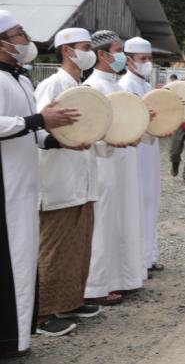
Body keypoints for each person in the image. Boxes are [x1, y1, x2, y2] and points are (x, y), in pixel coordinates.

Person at [0, 11, 79, 357]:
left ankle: (19, 335)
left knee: (22, 255)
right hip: (4, 184)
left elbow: (30, 132)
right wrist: (38, 119)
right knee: (9, 256)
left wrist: (59, 140)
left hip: (22, 183)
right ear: (3, 43)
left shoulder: (22, 79)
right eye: (19, 34)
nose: (26, 39)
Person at [33, 28, 102, 337]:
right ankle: (43, 313)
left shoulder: (79, 86)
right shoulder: (52, 86)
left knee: (78, 245)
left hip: (82, 179)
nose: (91, 52)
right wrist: (64, 143)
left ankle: (70, 301)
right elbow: (39, 132)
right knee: (54, 247)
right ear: (67, 51)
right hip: (59, 181)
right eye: (86, 47)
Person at [83, 30, 146, 306]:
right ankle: (98, 285)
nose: (122, 56)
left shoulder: (118, 87)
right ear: (102, 54)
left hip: (125, 160)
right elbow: (89, 130)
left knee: (125, 217)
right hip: (104, 162)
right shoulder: (92, 88)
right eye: (118, 50)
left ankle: (125, 277)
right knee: (105, 222)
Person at [121, 37, 165, 273]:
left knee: (151, 202)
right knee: (138, 204)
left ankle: (149, 256)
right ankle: (138, 261)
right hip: (136, 151)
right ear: (129, 60)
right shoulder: (125, 86)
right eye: (143, 59)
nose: (147, 63)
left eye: (149, 59)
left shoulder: (146, 86)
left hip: (150, 149)